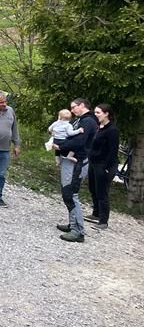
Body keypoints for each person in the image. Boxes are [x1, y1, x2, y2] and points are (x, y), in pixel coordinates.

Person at [53, 98, 98, 241]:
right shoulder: (80, 120)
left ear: (82, 105)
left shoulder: (88, 121)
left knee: (71, 193)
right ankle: (73, 223)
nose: (72, 110)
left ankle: (78, 231)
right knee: (67, 192)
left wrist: (60, 146)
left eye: (74, 107)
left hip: (78, 162)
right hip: (70, 160)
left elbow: (79, 141)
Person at [86, 103, 119, 232]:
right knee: (93, 188)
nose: (96, 115)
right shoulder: (99, 127)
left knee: (102, 192)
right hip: (94, 162)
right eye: (95, 112)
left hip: (104, 164)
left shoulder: (112, 130)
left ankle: (103, 221)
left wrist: (106, 167)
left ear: (106, 114)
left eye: (98, 112)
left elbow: (113, 150)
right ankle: (96, 213)